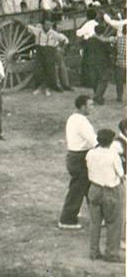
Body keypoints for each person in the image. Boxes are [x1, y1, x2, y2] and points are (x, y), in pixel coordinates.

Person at [86, 129, 124, 262]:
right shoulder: (113, 155)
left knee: (95, 222)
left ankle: (94, 252)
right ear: (111, 141)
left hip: (94, 188)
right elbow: (120, 173)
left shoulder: (91, 153)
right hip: (110, 190)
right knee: (113, 222)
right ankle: (111, 254)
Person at [59, 95, 96, 230]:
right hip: (80, 158)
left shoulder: (73, 118)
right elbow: (94, 141)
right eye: (90, 105)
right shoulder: (82, 122)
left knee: (88, 187)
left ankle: (97, 216)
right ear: (82, 106)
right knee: (78, 189)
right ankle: (67, 219)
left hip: (75, 156)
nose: (92, 108)